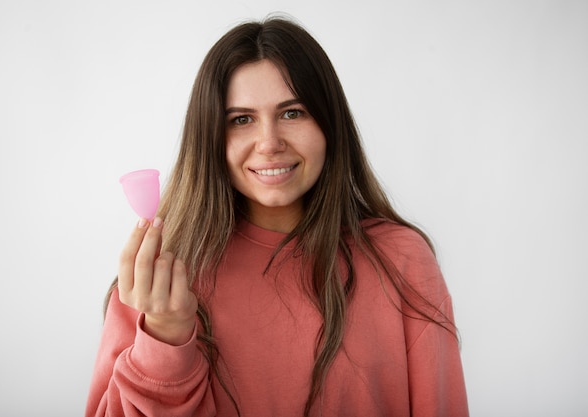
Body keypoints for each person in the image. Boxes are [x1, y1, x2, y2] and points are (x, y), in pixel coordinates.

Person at [86, 16, 469, 417]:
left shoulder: (401, 260)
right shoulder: (157, 281)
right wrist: (165, 337)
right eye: (241, 119)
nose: (269, 143)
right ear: (210, 138)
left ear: (329, 125)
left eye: (292, 113)